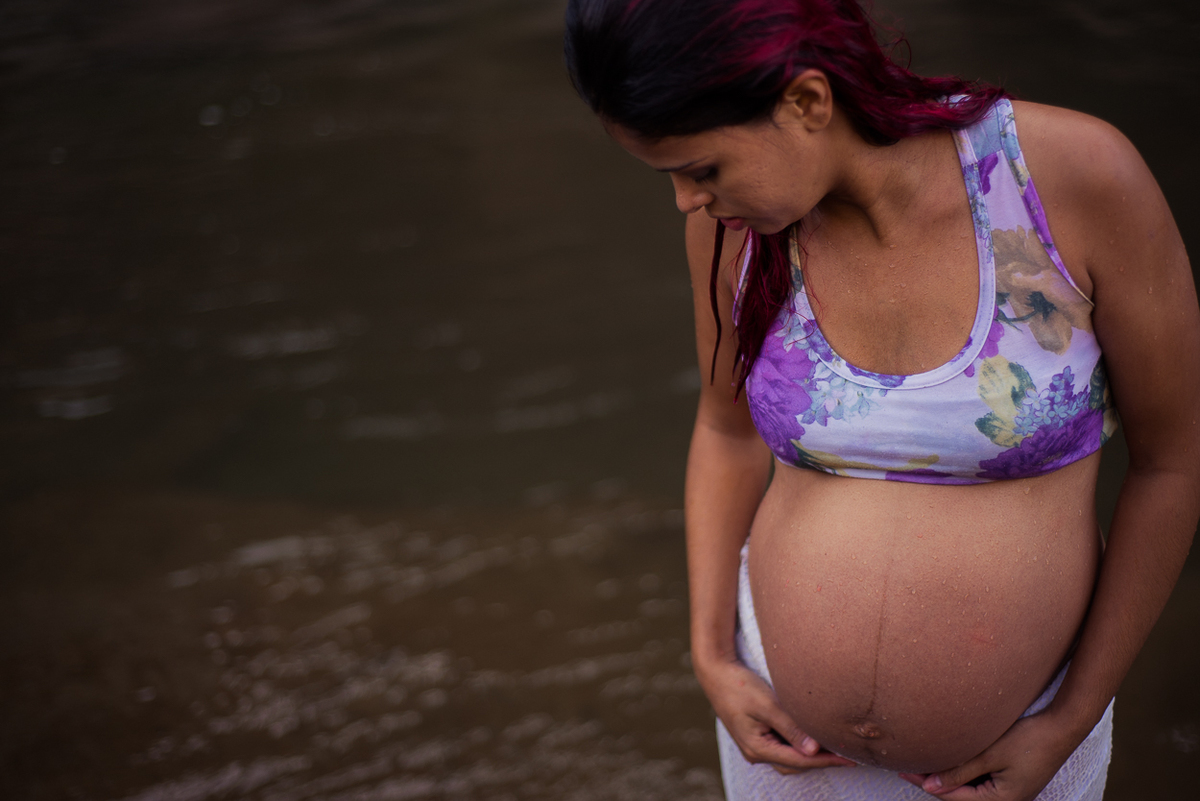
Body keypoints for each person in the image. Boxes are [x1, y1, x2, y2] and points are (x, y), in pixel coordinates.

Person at [564, 1, 1200, 799]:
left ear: (806, 103)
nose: (688, 203)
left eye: (701, 170)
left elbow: (1174, 462)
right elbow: (725, 431)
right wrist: (712, 658)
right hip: (786, 750)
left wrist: (1070, 718)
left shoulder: (1071, 180)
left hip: (1021, 749)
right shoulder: (739, 228)